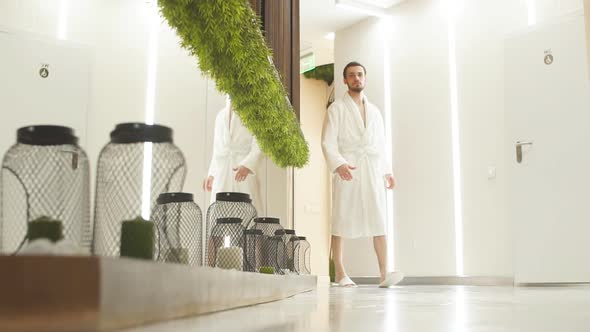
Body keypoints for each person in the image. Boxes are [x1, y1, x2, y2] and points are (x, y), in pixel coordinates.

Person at [322, 61, 403, 288]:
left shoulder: (375, 111)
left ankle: (383, 273)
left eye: (360, 75)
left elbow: (380, 144)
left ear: (365, 79)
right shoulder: (336, 109)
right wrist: (339, 164)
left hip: (372, 169)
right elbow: (327, 142)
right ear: (345, 80)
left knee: (379, 218)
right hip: (348, 167)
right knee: (341, 218)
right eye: (351, 75)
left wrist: (387, 170)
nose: (356, 78)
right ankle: (339, 272)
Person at [203, 98, 262, 212]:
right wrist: (212, 173)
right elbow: (217, 148)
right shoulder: (221, 115)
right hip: (222, 170)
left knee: (247, 210)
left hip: (243, 169)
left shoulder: (255, 113)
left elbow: (260, 143)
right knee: (219, 211)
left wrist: (248, 165)